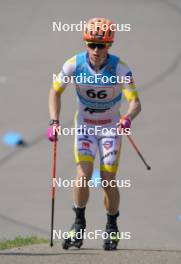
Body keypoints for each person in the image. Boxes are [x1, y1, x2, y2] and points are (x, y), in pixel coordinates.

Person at [48, 17, 141, 250]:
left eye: (101, 45)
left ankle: (111, 226)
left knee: (108, 180)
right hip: (85, 127)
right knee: (83, 176)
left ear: (110, 45)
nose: (96, 50)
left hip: (110, 128)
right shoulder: (74, 64)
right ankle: (78, 223)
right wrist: (54, 121)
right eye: (91, 44)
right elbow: (55, 92)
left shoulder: (121, 68)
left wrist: (128, 117)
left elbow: (136, 103)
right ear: (85, 43)